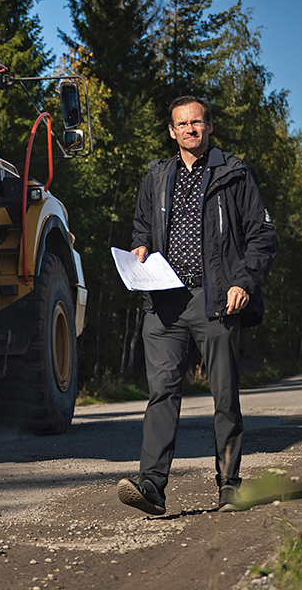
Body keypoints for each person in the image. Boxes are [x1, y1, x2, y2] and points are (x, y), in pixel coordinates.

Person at [117, 96, 277, 516]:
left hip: (217, 299)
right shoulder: (156, 176)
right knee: (162, 392)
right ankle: (151, 486)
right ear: (172, 131)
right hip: (165, 301)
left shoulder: (234, 173)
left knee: (224, 395)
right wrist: (140, 248)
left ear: (208, 126)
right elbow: (142, 227)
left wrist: (244, 282)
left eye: (196, 122)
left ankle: (230, 486)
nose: (190, 129)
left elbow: (262, 237)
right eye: (181, 124)